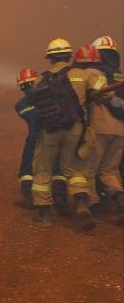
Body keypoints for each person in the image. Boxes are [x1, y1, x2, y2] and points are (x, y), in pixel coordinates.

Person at [30, 39, 107, 230]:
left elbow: (35, 103)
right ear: (69, 55)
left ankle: (43, 214)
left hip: (50, 130)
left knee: (43, 169)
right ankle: (81, 205)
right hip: (75, 129)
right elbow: (105, 92)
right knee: (76, 169)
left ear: (50, 58)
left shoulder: (40, 79)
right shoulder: (82, 74)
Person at [88, 36, 124, 222]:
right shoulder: (120, 75)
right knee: (110, 170)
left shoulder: (95, 72)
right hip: (120, 129)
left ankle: (90, 207)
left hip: (101, 125)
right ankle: (120, 201)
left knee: (90, 168)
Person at [14, 67, 40, 208]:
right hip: (52, 135)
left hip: (34, 137)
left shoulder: (20, 105)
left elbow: (32, 118)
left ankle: (28, 197)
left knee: (27, 166)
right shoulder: (49, 97)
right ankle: (60, 199)